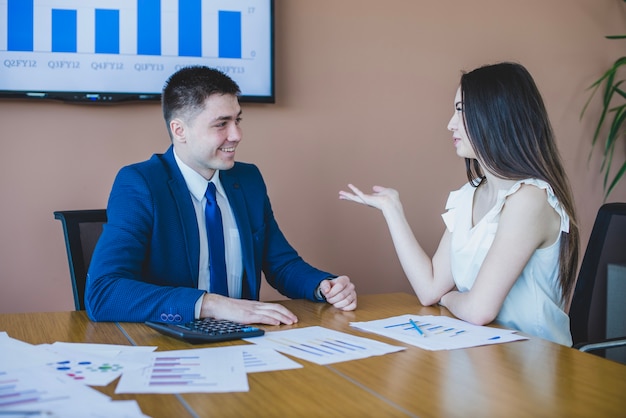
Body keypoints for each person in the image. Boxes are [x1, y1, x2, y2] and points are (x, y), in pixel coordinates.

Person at [86, 65, 356, 325]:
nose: (237, 134)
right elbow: (104, 292)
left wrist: (323, 286)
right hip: (171, 343)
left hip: (246, 340)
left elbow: (280, 263)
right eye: (221, 124)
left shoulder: (248, 180)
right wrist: (212, 304)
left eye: (237, 120)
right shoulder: (140, 183)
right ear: (179, 130)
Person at [339, 62, 579, 346]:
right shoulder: (470, 195)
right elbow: (429, 289)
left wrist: (450, 298)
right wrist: (392, 209)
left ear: (495, 116)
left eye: (461, 110)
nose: (450, 123)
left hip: (536, 362)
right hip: (485, 354)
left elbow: (478, 310)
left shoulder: (530, 199)